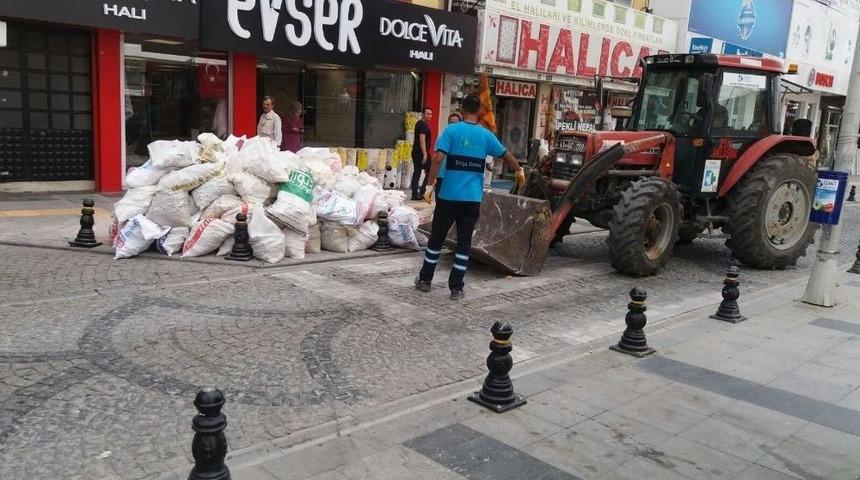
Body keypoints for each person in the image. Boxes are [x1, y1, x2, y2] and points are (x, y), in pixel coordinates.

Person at [415, 94, 525, 300]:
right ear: (479, 111)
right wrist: (519, 171)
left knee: (437, 238)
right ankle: (456, 288)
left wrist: (429, 185)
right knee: (464, 242)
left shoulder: (451, 131)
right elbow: (506, 154)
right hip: (472, 199)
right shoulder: (486, 136)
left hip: (448, 196)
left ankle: (425, 280)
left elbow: (438, 158)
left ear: (462, 108)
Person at [410, 107, 434, 200]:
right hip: (421, 153)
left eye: (431, 114)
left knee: (417, 173)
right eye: (427, 113)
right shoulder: (423, 125)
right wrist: (425, 154)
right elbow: (422, 139)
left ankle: (415, 194)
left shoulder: (419, 124)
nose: (430, 116)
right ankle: (422, 193)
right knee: (431, 171)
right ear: (423, 114)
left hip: (416, 152)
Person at [435, 112, 462, 195]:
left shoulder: (463, 140)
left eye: (456, 123)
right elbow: (436, 158)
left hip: (456, 175)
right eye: (451, 122)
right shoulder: (441, 138)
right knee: (439, 200)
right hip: (441, 175)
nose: (453, 125)